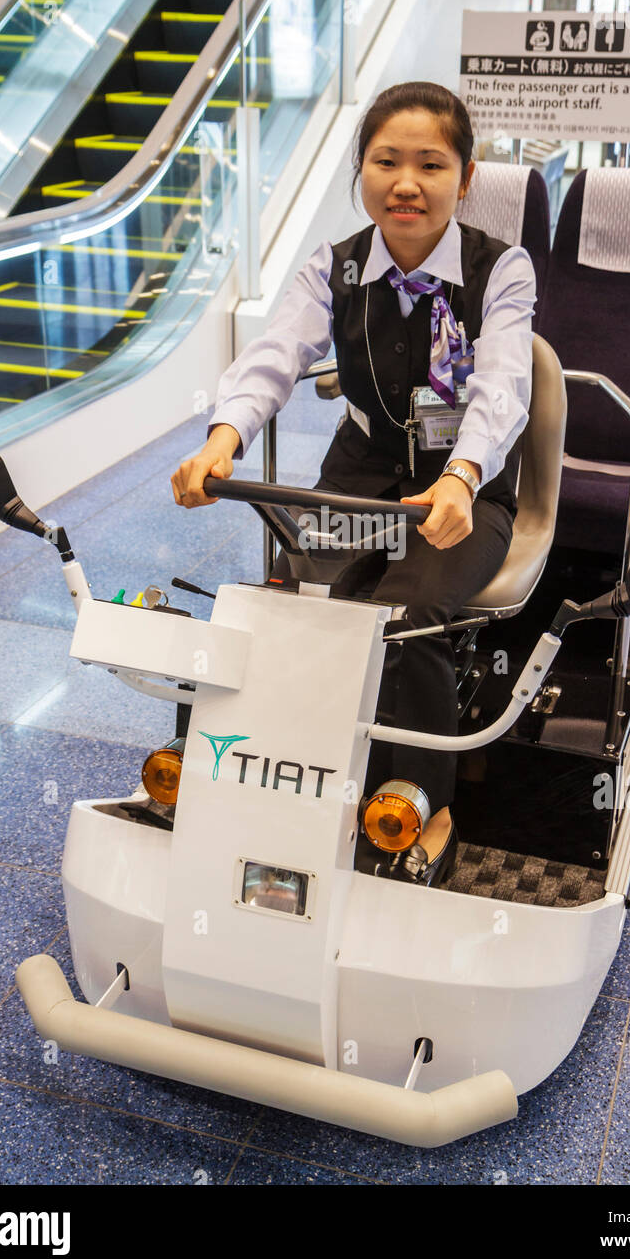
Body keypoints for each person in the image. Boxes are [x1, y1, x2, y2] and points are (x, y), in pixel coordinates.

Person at [171, 81, 535, 886]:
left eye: (430, 164)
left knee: (410, 616)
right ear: (361, 171)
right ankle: (297, 774)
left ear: (466, 177)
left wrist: (462, 478)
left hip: (463, 490)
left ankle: (424, 808)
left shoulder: (500, 270)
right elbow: (275, 356)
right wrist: (222, 438)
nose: (406, 183)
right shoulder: (332, 270)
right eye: (386, 161)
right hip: (361, 477)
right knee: (303, 604)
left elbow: (505, 385)